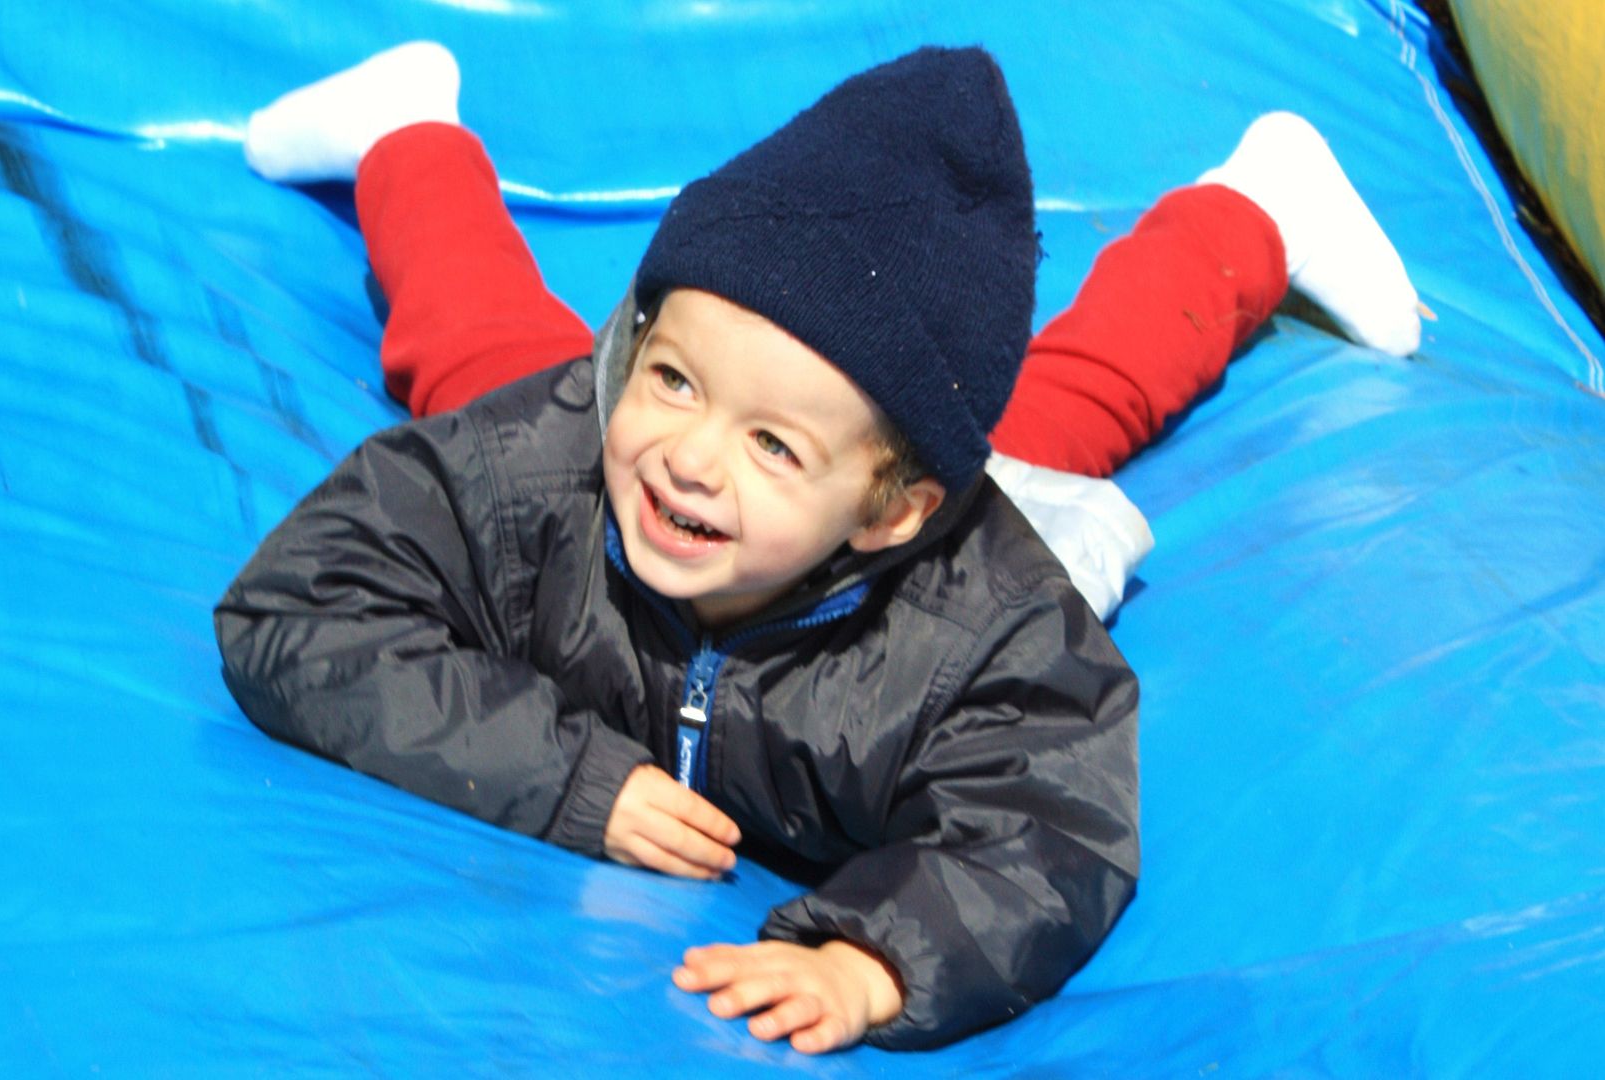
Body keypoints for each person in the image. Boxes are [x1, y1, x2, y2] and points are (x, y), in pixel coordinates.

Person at [218, 42, 1421, 1053]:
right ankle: (406, 130)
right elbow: (297, 608)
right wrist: (566, 777)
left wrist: (873, 960)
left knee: (1062, 416)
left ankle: (1256, 207)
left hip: (924, 548)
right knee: (477, 349)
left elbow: (1045, 829)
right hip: (619, 464)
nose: (691, 458)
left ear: (892, 511)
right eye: (672, 376)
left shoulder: (979, 625)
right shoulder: (566, 463)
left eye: (770, 445)